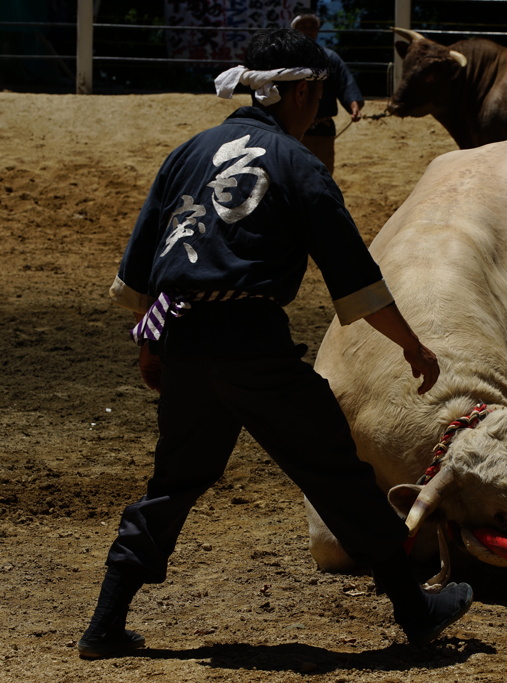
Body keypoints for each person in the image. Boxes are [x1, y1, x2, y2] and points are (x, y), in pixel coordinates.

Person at [77, 28, 473, 660]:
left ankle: (104, 623)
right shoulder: (298, 165)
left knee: (175, 479)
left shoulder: (186, 153)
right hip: (250, 343)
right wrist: (415, 347)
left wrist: (151, 348)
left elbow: (152, 269)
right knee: (334, 470)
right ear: (304, 92)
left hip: (182, 336)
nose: (321, 106)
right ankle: (414, 607)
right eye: (321, 93)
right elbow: (356, 276)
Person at [291, 13, 364, 174]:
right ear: (295, 30)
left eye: (312, 27)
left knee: (322, 173)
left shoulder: (330, 58)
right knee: (292, 173)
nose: (308, 31)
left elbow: (346, 84)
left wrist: (354, 106)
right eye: (304, 27)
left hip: (322, 129)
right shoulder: (286, 59)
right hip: (291, 127)